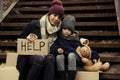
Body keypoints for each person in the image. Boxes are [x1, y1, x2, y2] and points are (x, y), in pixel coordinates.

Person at [16, 0, 64, 80]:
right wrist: (28, 38)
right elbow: (21, 42)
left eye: (59, 17)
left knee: (50, 58)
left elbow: (59, 44)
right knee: (39, 59)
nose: (56, 19)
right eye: (54, 15)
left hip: (48, 55)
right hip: (29, 57)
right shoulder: (33, 25)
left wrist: (57, 50)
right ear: (49, 14)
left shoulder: (59, 30)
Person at [50, 15, 100, 80]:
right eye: (65, 29)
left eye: (69, 30)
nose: (66, 31)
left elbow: (86, 49)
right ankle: (61, 77)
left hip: (74, 59)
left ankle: (71, 77)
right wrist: (57, 49)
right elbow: (52, 48)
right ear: (61, 29)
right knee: (59, 56)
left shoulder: (75, 40)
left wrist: (94, 56)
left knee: (71, 55)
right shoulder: (59, 39)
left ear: (72, 31)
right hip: (63, 60)